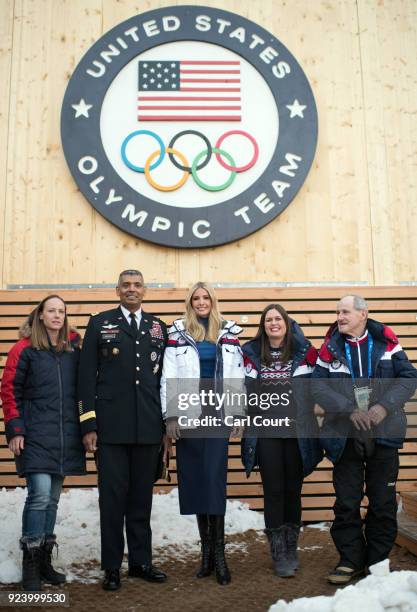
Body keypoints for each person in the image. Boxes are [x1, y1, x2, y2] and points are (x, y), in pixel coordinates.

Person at [312, 294, 417, 585]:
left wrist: (383, 407)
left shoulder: (387, 343)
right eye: (337, 312)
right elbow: (317, 387)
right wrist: (348, 410)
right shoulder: (330, 348)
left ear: (362, 313)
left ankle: (378, 563)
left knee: (382, 503)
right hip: (345, 437)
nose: (339, 317)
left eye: (345, 312)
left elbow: (409, 378)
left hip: (383, 434)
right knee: (347, 502)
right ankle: (350, 560)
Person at [77, 269, 168, 591]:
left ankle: (141, 563)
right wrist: (88, 423)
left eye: (137, 285)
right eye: (126, 285)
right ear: (117, 290)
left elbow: (163, 382)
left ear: (145, 290)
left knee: (142, 501)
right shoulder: (100, 323)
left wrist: (165, 428)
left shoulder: (159, 327)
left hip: (147, 427)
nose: (132, 290)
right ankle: (112, 567)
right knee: (113, 502)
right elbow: (85, 378)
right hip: (111, 430)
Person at [160, 281, 245, 585]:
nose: (200, 302)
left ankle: (221, 557)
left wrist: (238, 412)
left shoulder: (229, 333)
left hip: (218, 414)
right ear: (190, 302)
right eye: (195, 298)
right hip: (188, 415)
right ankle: (206, 555)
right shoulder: (177, 333)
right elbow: (169, 375)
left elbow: (237, 376)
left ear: (213, 300)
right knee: (195, 482)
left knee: (213, 481)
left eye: (205, 297)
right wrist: (170, 416)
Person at [1, 295, 86, 591]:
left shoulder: (74, 348)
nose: (57, 315)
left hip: (65, 437)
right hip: (35, 435)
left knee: (52, 499)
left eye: (61, 311)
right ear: (39, 315)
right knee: (38, 496)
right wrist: (15, 430)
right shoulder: (23, 349)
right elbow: (9, 390)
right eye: (51, 311)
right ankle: (31, 565)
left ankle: (46, 561)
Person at [241, 304, 322, 577]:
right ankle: (279, 554)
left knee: (292, 492)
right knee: (273, 492)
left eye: (278, 319)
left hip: (297, 433)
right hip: (266, 433)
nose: (273, 323)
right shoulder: (250, 353)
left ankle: (291, 547)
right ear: (263, 326)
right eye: (268, 320)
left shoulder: (304, 352)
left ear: (287, 323)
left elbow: (319, 386)